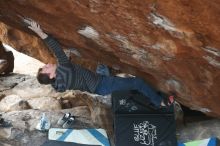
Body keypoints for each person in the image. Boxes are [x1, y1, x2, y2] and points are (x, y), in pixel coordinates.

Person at [25, 18, 173, 108]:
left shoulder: (58, 82)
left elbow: (64, 65)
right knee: (137, 82)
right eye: (46, 68)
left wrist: (66, 60)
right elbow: (57, 50)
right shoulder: (64, 70)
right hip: (102, 84)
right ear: (51, 75)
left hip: (95, 81)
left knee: (103, 64)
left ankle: (113, 73)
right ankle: (159, 102)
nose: (47, 64)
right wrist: (40, 32)